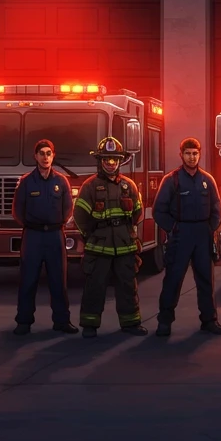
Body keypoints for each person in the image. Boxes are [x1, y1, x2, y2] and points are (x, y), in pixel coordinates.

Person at [72, 136, 147, 337]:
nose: (111, 163)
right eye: (107, 159)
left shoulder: (129, 186)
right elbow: (79, 215)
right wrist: (90, 236)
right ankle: (89, 325)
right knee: (95, 287)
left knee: (127, 286)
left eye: (115, 159)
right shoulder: (89, 186)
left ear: (120, 161)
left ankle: (131, 323)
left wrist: (127, 232)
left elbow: (138, 212)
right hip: (98, 247)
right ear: (100, 161)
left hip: (125, 246)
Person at [154, 137, 221, 337]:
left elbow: (217, 209)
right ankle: (164, 322)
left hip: (203, 235)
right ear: (181, 155)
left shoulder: (207, 180)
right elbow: (159, 211)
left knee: (206, 280)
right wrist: (174, 229)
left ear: (199, 154)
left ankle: (209, 321)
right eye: (188, 153)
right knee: (173, 279)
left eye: (195, 153)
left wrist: (209, 228)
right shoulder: (172, 180)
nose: (192, 157)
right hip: (181, 235)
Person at [12, 138, 77, 335]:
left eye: (49, 153)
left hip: (55, 236)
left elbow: (68, 208)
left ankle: (62, 321)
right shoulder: (25, 182)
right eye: (42, 153)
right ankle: (23, 322)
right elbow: (17, 210)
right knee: (28, 280)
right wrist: (32, 226)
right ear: (36, 157)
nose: (45, 157)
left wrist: (57, 224)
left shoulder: (61, 181)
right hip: (32, 236)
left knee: (58, 281)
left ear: (53, 156)